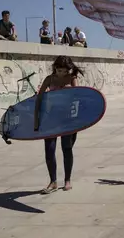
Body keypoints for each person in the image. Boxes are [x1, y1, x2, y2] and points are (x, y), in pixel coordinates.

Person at [34, 56, 84, 194]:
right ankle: (53, 182)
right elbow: (39, 98)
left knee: (66, 148)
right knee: (49, 150)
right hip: (51, 119)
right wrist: (36, 118)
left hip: (67, 119)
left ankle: (67, 180)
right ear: (55, 67)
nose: (61, 73)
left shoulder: (72, 78)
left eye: (64, 71)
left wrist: (79, 120)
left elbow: (78, 98)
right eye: (59, 70)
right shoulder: (49, 79)